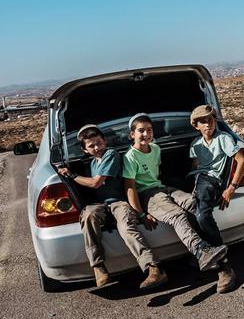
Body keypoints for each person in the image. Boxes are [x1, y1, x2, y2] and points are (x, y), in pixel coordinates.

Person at [58, 124, 167, 289]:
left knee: (126, 227)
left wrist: (71, 175)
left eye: (99, 143)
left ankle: (153, 267)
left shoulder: (111, 154)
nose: (97, 147)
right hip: (100, 205)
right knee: (88, 215)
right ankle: (99, 268)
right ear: (85, 150)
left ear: (105, 142)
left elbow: (96, 183)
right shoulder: (92, 164)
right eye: (91, 146)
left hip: (118, 201)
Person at [122, 113, 228, 273]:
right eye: (141, 131)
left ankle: (212, 246)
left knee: (193, 203)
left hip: (162, 188)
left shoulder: (156, 149)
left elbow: (157, 174)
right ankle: (201, 251)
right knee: (177, 215)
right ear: (132, 134)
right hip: (147, 195)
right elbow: (130, 188)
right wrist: (141, 215)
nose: (146, 134)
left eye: (149, 130)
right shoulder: (130, 157)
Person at [188, 104, 244, 294]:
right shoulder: (195, 145)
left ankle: (224, 265)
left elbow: (242, 160)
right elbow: (195, 166)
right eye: (203, 121)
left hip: (211, 181)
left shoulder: (223, 138)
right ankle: (203, 251)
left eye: (211, 120)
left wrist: (231, 188)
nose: (208, 124)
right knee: (186, 210)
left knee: (202, 216)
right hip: (197, 179)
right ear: (195, 125)